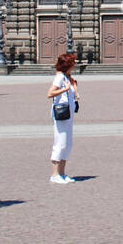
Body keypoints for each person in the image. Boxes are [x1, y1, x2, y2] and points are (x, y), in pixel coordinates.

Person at [46, 53, 79, 184]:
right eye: (73, 63)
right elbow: (49, 93)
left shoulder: (66, 77)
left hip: (68, 114)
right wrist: (64, 89)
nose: (74, 65)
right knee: (60, 143)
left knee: (67, 143)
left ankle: (62, 173)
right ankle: (54, 174)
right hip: (61, 114)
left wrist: (74, 90)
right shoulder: (59, 77)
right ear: (68, 64)